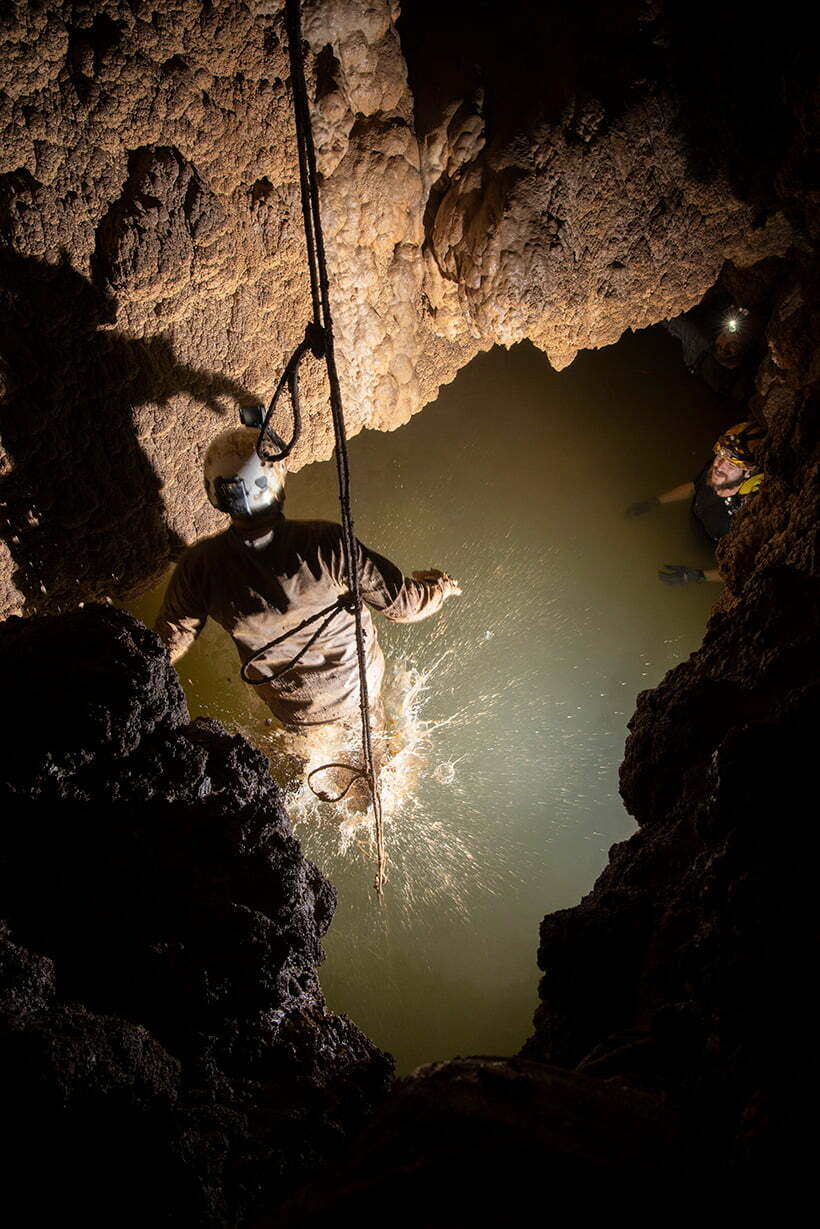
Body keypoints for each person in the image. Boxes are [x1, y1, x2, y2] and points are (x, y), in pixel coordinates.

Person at [154, 426, 461, 729]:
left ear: (215, 494)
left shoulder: (200, 566)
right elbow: (404, 606)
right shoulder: (325, 543)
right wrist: (440, 588)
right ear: (277, 484)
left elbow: (166, 646)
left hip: (294, 711)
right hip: (357, 692)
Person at [626, 421, 764, 585]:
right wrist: (655, 502)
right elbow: (694, 487)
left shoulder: (750, 513)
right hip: (695, 526)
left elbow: (742, 569)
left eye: (731, 464)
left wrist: (698, 576)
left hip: (712, 551)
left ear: (749, 472)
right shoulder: (716, 474)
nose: (719, 466)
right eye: (720, 456)